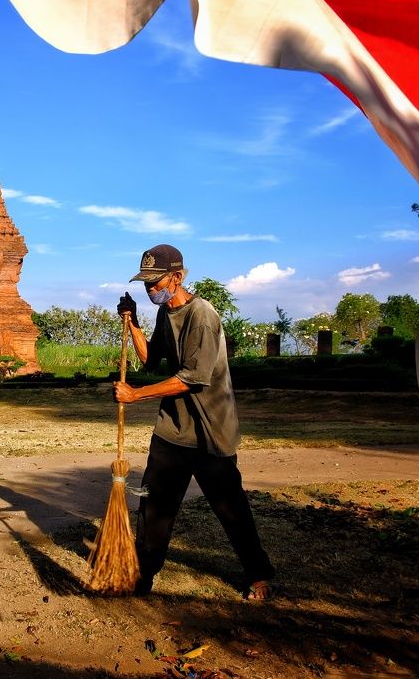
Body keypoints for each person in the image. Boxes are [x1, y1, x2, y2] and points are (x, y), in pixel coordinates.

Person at [113, 243, 275, 599]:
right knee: (154, 508)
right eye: (146, 284)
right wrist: (134, 323)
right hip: (173, 429)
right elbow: (151, 360)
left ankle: (258, 574)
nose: (151, 289)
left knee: (230, 508)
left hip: (210, 432)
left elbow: (191, 378)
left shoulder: (202, 316)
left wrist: (135, 396)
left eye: (156, 283)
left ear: (177, 276)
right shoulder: (164, 314)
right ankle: (141, 577)